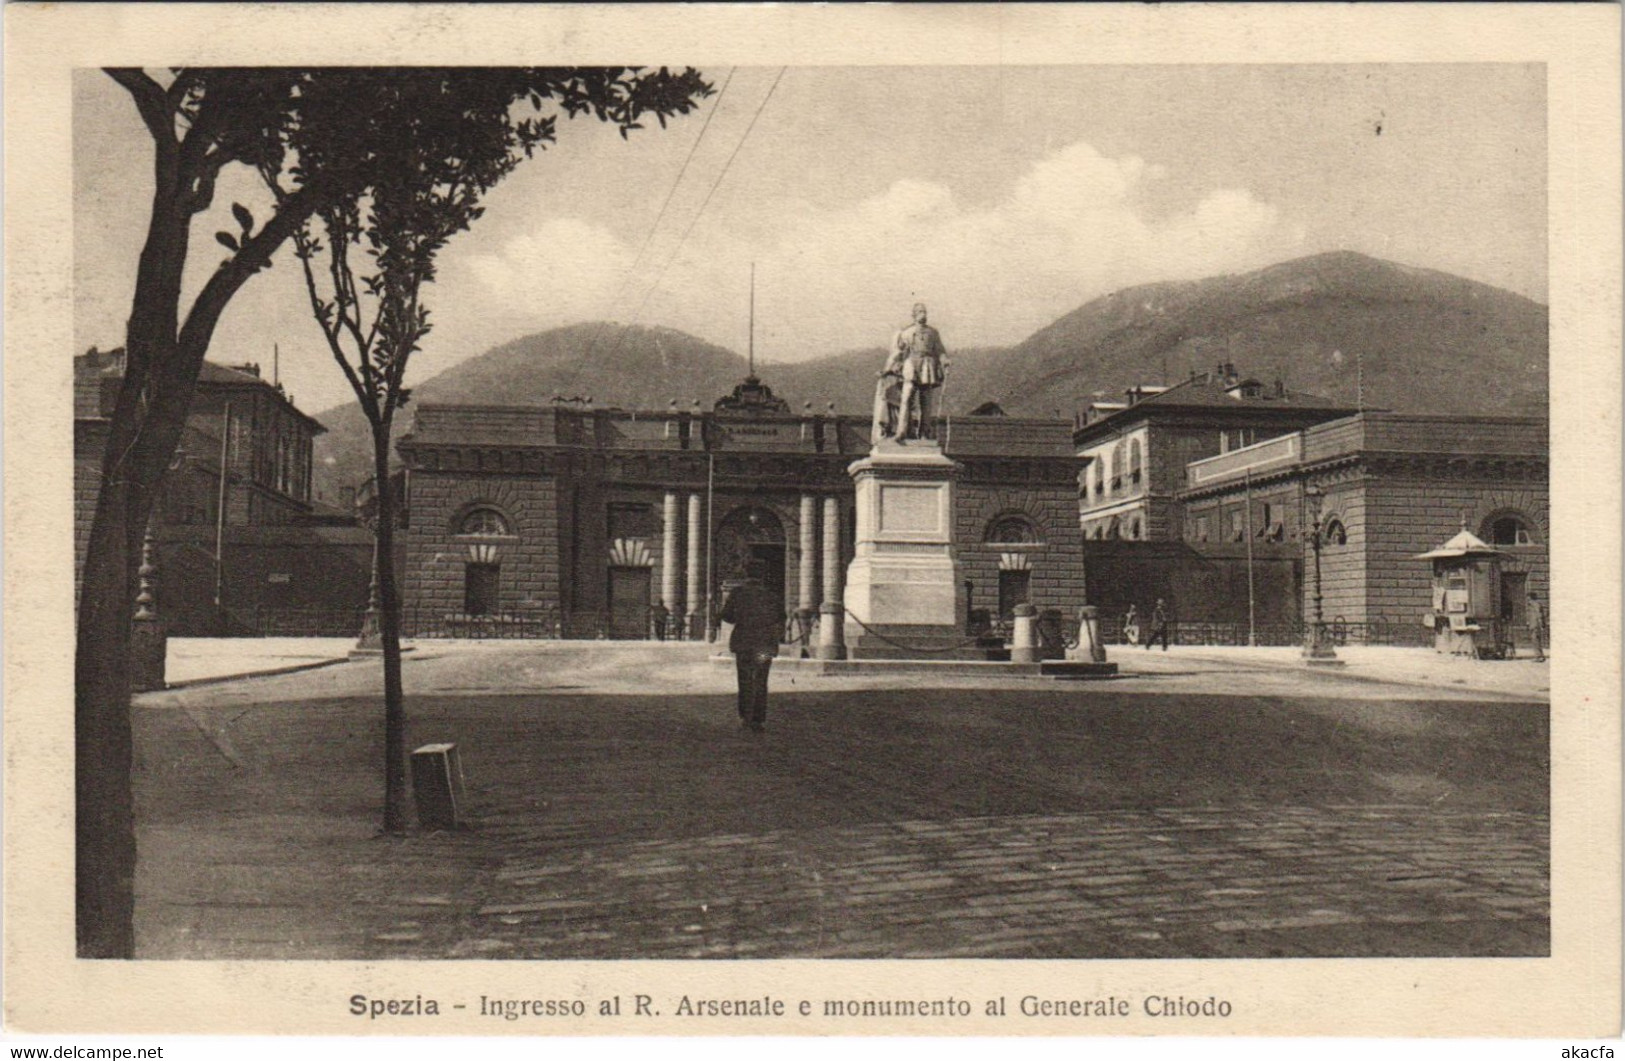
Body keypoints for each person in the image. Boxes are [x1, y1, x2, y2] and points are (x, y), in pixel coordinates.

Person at [719, 558, 781, 732]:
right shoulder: (771, 595)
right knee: (761, 679)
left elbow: (726, 616)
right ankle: (758, 719)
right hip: (765, 646)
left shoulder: (738, 593)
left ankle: (746, 717)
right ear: (762, 575)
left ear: (746, 573)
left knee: (745, 679)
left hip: (744, 644)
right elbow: (780, 617)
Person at [883, 302, 948, 442]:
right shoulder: (906, 332)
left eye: (924, 311)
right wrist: (890, 366)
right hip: (911, 363)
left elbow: (940, 350)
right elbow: (899, 352)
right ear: (914, 315)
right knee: (906, 397)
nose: (922, 314)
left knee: (926, 400)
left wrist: (945, 360)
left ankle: (925, 432)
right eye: (919, 312)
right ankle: (902, 431)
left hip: (928, 365)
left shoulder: (933, 333)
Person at [1526, 590, 1547, 662]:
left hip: (1535, 625)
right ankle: (1540, 656)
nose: (1527, 599)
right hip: (1534, 624)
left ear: (1531, 597)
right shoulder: (1533, 604)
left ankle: (1539, 656)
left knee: (1536, 640)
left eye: (1528, 597)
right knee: (1535, 640)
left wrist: (1541, 624)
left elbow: (1539, 614)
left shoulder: (1534, 604)